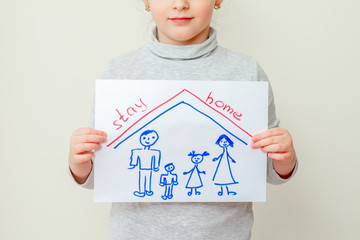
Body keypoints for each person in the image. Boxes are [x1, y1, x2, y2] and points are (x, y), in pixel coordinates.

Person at [68, 0, 298, 239]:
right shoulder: (118, 73)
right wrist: (80, 165)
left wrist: (285, 159)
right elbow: (100, 177)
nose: (180, 4)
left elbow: (268, 172)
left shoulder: (247, 72)